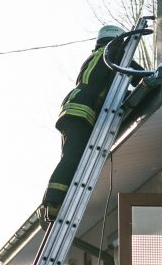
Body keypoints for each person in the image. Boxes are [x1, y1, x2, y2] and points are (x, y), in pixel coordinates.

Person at [38, 24, 141, 224]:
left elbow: (103, 83)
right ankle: (53, 202)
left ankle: (57, 201)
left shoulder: (97, 56)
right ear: (119, 40)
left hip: (73, 107)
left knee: (70, 156)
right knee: (73, 156)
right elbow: (135, 75)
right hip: (82, 110)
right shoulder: (112, 52)